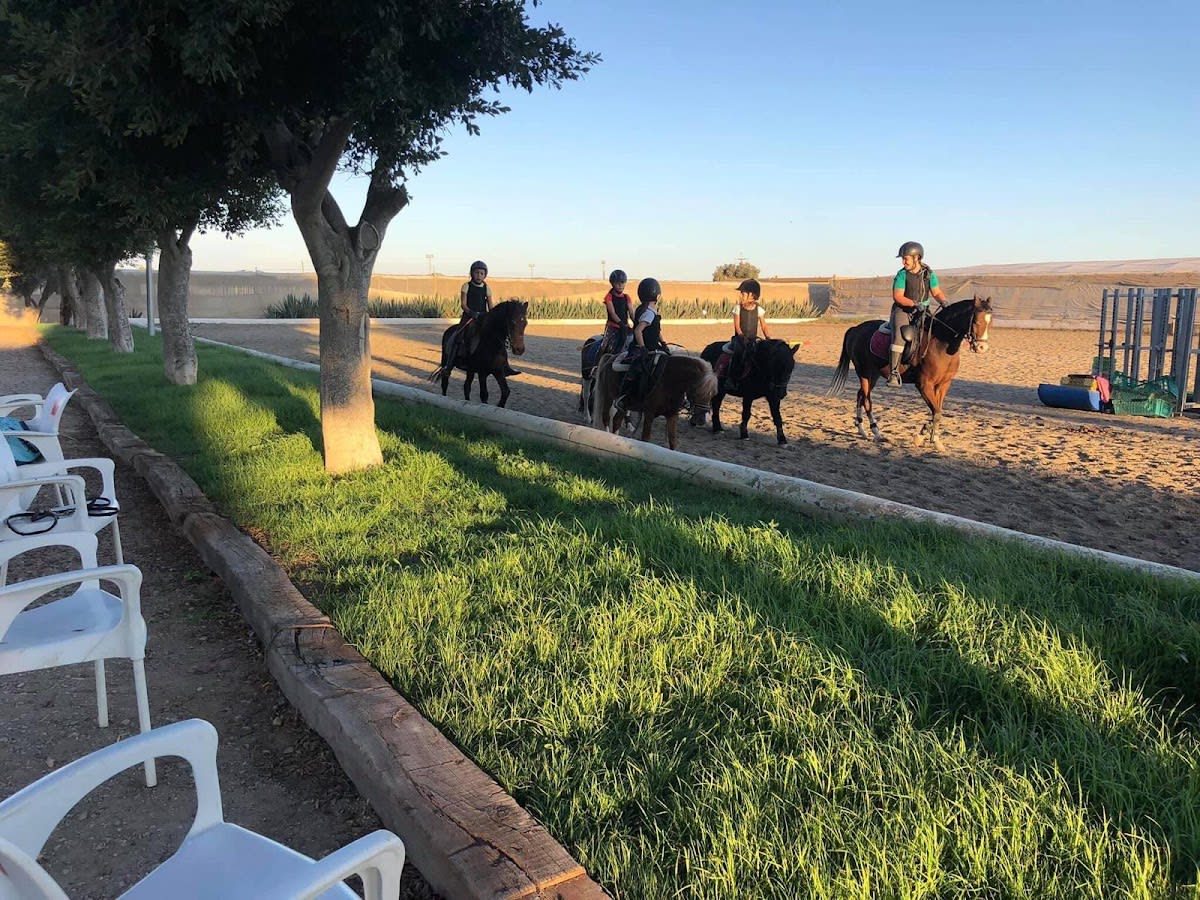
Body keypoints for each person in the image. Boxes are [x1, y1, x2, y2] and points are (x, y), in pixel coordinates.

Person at [440, 260, 519, 377]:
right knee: (459, 336)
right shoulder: (466, 286)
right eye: (477, 273)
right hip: (468, 316)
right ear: (472, 273)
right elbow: (463, 304)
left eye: (482, 273)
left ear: (485, 275)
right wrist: (472, 313)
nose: (479, 276)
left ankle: (505, 366)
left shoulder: (487, 288)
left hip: (483, 317)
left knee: (498, 338)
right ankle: (449, 365)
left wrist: (492, 317)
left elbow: (491, 306)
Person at [887, 241, 947, 386]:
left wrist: (943, 302)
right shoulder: (902, 275)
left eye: (905, 258)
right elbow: (898, 296)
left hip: (923, 311)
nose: (903, 261)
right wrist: (914, 304)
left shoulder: (929, 274)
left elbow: (936, 292)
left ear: (916, 258)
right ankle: (894, 373)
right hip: (903, 310)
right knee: (900, 337)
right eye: (903, 258)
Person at [615, 277, 669, 410]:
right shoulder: (649, 313)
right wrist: (643, 348)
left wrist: (663, 343)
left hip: (653, 346)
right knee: (640, 368)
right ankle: (626, 395)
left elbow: (656, 331)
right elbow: (638, 331)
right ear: (657, 295)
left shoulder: (646, 310)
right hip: (644, 347)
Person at [720, 278, 771, 391]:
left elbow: (764, 326)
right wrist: (742, 337)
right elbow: (737, 326)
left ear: (752, 295)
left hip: (753, 339)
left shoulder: (759, 310)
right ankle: (730, 379)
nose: (741, 296)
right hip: (739, 339)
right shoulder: (737, 309)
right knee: (738, 353)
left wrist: (768, 338)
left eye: (743, 293)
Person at [598, 269, 634, 356]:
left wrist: (636, 322)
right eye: (618, 283)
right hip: (613, 327)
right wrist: (621, 324)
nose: (620, 285)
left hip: (625, 326)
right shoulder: (609, 297)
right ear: (612, 283)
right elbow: (612, 313)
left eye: (623, 282)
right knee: (604, 346)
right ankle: (597, 363)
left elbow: (632, 313)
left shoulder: (627, 297)